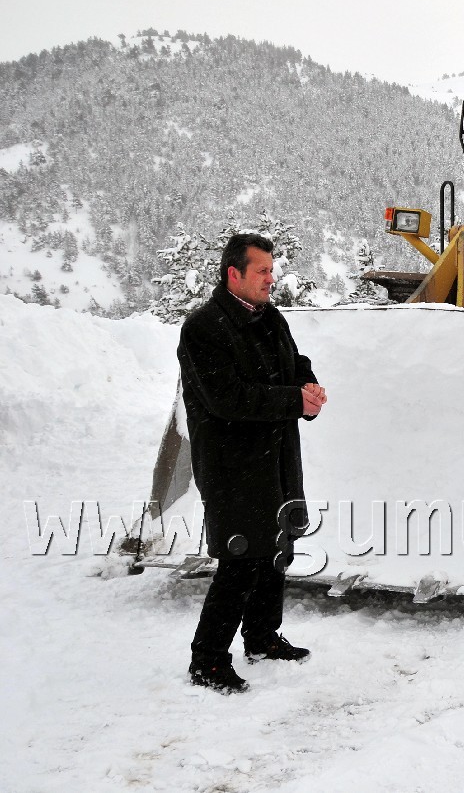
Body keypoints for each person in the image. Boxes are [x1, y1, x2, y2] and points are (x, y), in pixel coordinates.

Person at [178, 233, 327, 693]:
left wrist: (308, 387)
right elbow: (227, 398)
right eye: (262, 271)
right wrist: (293, 400)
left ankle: (261, 638)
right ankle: (207, 661)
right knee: (241, 559)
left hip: (275, 457)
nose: (270, 278)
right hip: (232, 466)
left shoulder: (269, 317)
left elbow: (294, 363)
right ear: (234, 274)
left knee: (276, 550)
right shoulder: (204, 328)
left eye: (271, 270)